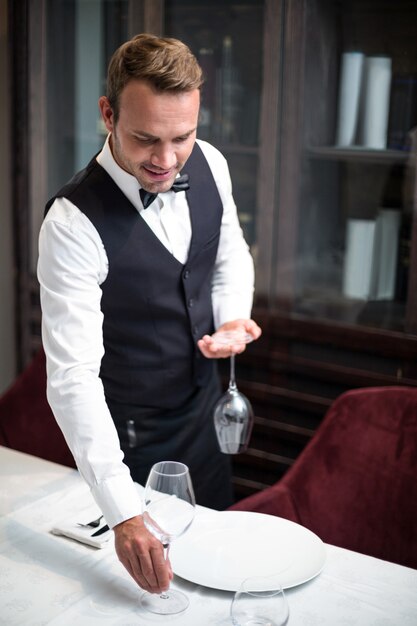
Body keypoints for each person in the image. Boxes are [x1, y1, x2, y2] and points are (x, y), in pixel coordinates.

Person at [38, 33, 261, 594]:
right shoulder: (71, 224)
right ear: (108, 114)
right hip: (132, 441)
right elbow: (71, 380)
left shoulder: (211, 162)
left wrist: (232, 318)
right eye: (145, 139)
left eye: (181, 137)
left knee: (218, 572)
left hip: (204, 416)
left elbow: (228, 251)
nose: (165, 160)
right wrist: (122, 513)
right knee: (150, 597)